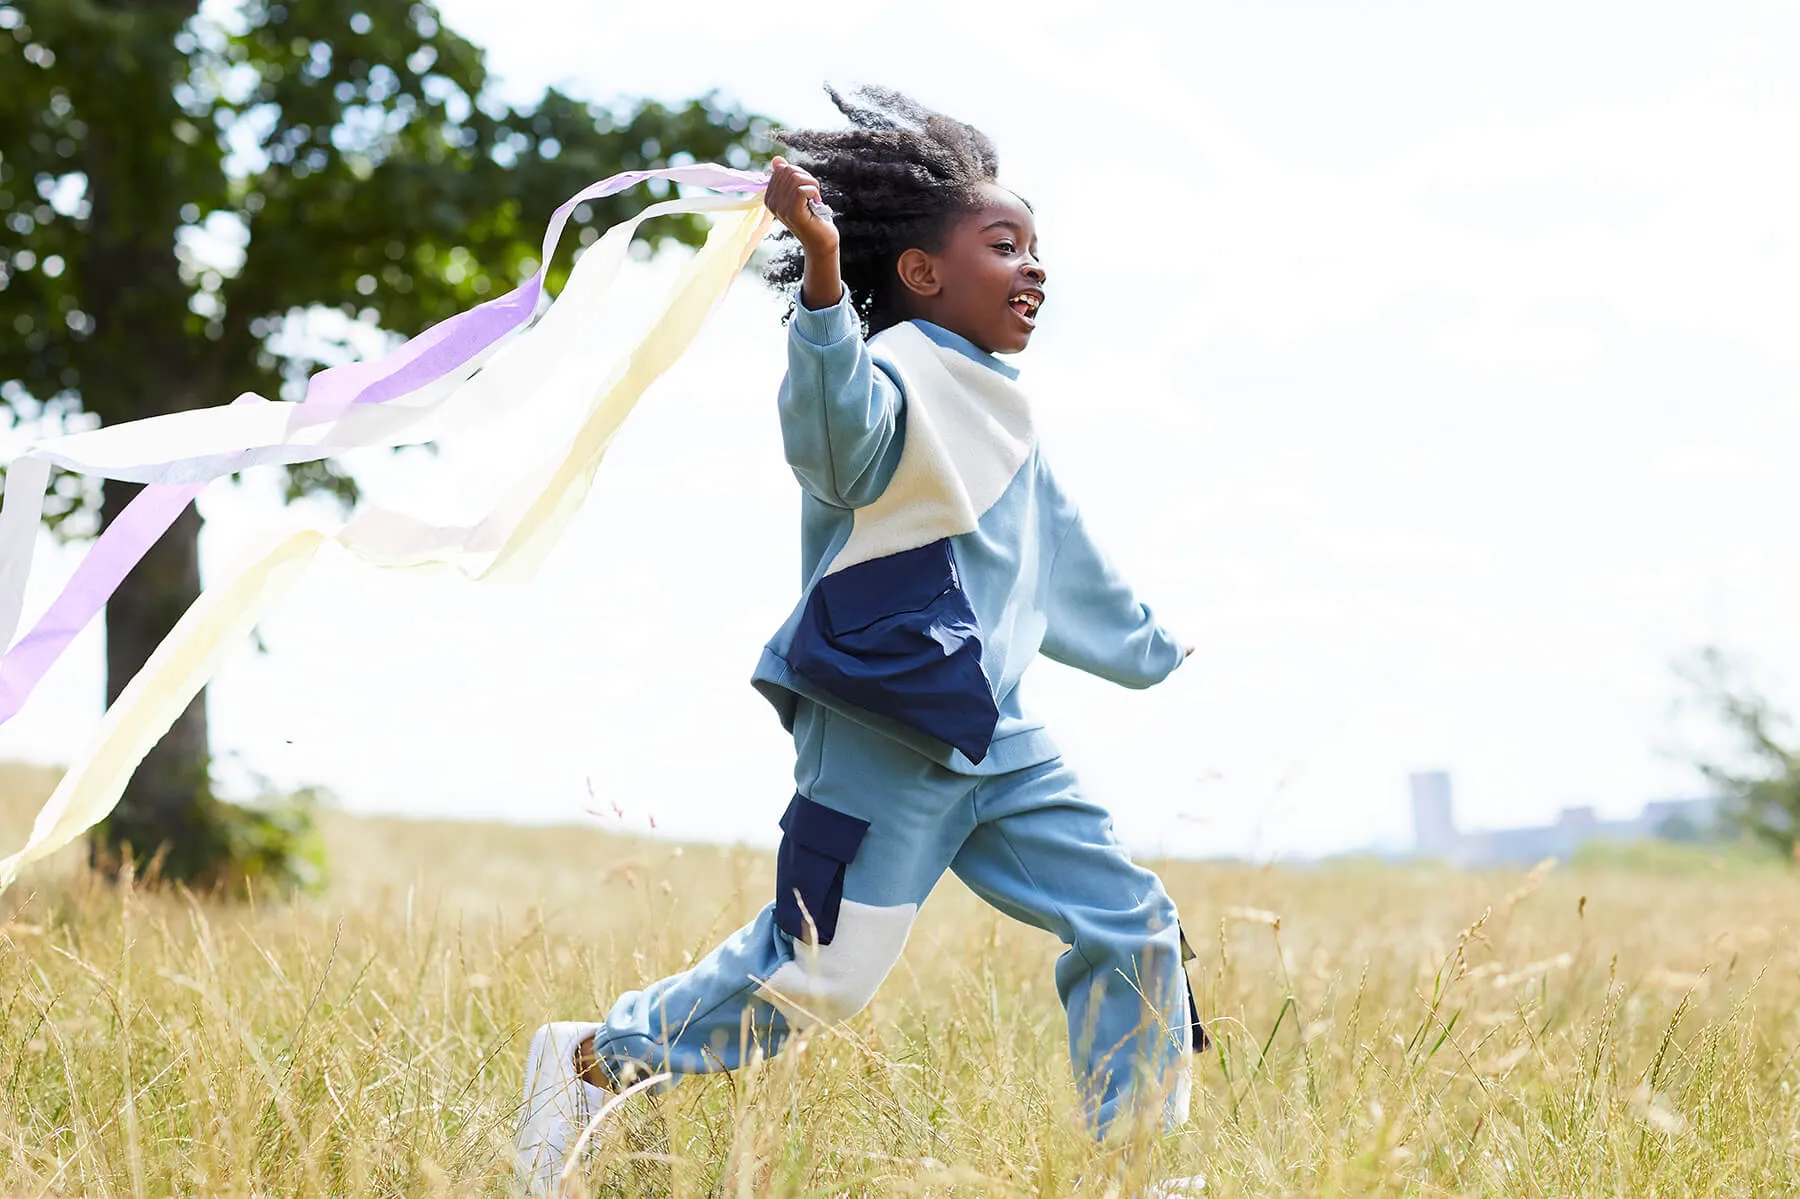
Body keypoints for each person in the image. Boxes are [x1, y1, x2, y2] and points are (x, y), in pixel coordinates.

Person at [517, 85, 1203, 1190]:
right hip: (883, 727)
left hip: (999, 741)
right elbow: (836, 447)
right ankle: (598, 1057)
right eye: (1005, 245)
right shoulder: (887, 373)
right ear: (924, 273)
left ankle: (1138, 1166)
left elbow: (1059, 558)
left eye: (1038, 249)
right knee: (818, 979)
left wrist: (1155, 644)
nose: (1034, 269)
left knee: (1134, 923)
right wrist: (826, 276)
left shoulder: (1005, 406)